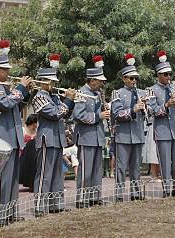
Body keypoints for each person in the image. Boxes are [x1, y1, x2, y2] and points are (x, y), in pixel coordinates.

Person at [0, 42, 32, 226]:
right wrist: (20, 89)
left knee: (12, 180)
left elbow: (16, 105)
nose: (7, 72)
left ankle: (11, 212)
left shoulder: (6, 86)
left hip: (12, 137)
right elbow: (4, 104)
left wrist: (25, 91)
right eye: (4, 69)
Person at [32, 64, 75, 216]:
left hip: (57, 139)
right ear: (43, 80)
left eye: (54, 81)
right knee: (44, 174)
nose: (53, 84)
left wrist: (71, 102)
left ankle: (56, 204)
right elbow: (55, 113)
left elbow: (65, 114)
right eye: (50, 81)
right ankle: (39, 206)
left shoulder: (55, 97)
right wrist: (68, 100)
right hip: (46, 139)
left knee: (58, 175)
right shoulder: (39, 97)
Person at [73, 57, 110, 208]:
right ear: (92, 80)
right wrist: (98, 116)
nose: (102, 83)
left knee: (96, 170)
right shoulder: (81, 93)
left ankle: (95, 197)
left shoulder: (98, 93)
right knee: (85, 170)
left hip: (98, 136)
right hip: (86, 136)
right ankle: (82, 198)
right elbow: (78, 115)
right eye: (100, 81)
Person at [111, 55, 147, 202]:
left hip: (138, 134)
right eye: (131, 78)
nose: (134, 81)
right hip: (123, 135)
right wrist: (134, 109)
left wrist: (146, 107)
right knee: (121, 168)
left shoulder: (141, 93)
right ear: (124, 79)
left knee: (136, 167)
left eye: (135, 78)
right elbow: (117, 113)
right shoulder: (117, 93)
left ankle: (136, 194)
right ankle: (119, 195)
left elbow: (149, 115)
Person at [150, 51, 175, 197]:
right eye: (165, 74)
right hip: (163, 131)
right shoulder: (152, 90)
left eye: (169, 74)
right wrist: (166, 105)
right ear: (159, 75)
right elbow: (153, 111)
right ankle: (166, 190)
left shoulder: (174, 87)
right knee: (165, 162)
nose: (168, 77)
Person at [19, 113, 38, 192]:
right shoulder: (23, 130)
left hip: (34, 153)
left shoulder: (37, 131)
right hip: (24, 153)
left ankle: (33, 183)